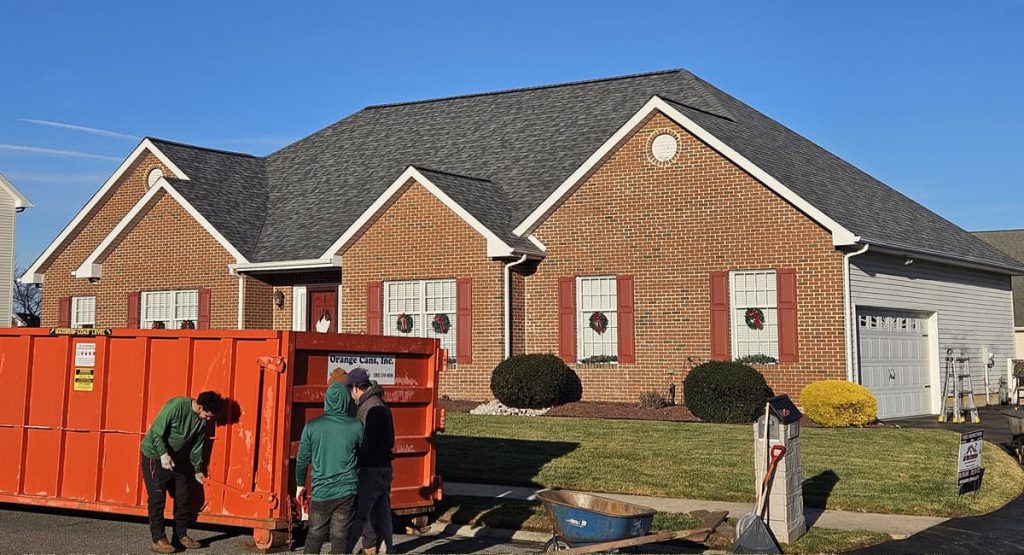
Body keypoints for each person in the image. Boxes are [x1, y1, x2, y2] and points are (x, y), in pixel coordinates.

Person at [140, 391, 223, 554]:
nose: (208, 419)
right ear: (199, 407)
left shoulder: (201, 421)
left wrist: (197, 470)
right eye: (207, 415)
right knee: (157, 498)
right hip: (154, 455)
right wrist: (163, 454)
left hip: (175, 458)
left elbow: (197, 446)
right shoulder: (176, 406)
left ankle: (180, 536)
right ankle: (158, 539)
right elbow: (156, 431)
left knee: (183, 495)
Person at [295, 381, 364, 554]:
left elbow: (302, 459)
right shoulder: (356, 426)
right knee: (340, 536)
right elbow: (364, 455)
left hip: (321, 491)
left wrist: (300, 485)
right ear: (345, 401)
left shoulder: (311, 426)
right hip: (347, 491)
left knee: (315, 534)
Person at [345, 368, 395, 555]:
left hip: (370, 469)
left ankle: (346, 550)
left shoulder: (367, 408)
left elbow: (364, 441)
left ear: (356, 387)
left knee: (362, 514)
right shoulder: (381, 404)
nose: (350, 394)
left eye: (350, 389)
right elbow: (390, 439)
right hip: (385, 467)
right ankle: (386, 549)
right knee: (383, 513)